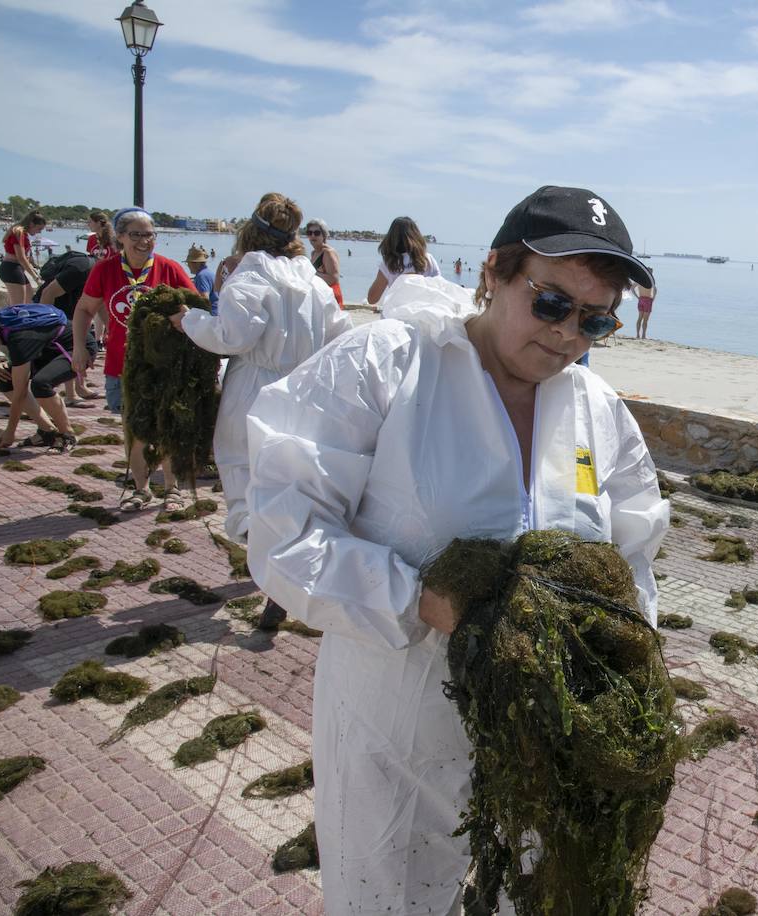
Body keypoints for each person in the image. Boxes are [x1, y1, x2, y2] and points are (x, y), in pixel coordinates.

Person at [245, 185, 666, 914]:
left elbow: (634, 561)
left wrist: (624, 671)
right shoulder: (386, 365)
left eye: (596, 319)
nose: (568, 334)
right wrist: (418, 601)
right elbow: (285, 532)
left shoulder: (599, 413)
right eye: (551, 303)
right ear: (495, 270)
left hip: (544, 739)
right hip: (396, 730)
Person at [171, 193, 350, 627]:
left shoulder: (250, 275)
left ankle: (276, 575)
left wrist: (188, 321)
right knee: (289, 484)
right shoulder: (314, 283)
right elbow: (340, 335)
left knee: (243, 477)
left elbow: (232, 336)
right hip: (302, 392)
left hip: (255, 388)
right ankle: (289, 573)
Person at [71, 207, 196, 512]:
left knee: (166, 429)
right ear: (121, 237)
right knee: (135, 431)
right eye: (136, 235)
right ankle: (141, 490)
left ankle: (172, 489)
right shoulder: (105, 270)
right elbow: (84, 309)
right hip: (121, 367)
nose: (144, 241)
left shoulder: (169, 268)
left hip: (164, 366)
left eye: (149, 235)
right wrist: (79, 347)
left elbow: (198, 307)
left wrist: (183, 316)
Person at [0, 307, 78, 452]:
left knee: (41, 384)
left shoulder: (19, 340)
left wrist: (10, 431)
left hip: (76, 348)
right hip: (46, 348)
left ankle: (67, 435)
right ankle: (47, 432)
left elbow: (20, 392)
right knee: (3, 376)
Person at [34, 248, 99, 404]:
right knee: (68, 349)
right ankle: (70, 395)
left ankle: (79, 388)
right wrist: (48, 324)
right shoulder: (81, 268)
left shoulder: (97, 273)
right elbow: (47, 293)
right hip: (51, 309)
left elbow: (100, 306)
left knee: (78, 345)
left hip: (69, 309)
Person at [365, 215, 441, 306]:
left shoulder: (389, 263)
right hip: (424, 311)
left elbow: (372, 299)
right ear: (416, 236)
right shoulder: (428, 259)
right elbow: (440, 288)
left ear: (391, 238)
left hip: (398, 312)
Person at [0, 211, 47, 305]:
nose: (39, 232)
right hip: (11, 269)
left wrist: (32, 269)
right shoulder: (19, 232)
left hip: (14, 269)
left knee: (29, 299)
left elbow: (23, 258)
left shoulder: (21, 233)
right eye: (39, 229)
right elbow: (21, 257)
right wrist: (35, 277)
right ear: (31, 224)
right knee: (18, 307)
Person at [304, 218, 343, 306]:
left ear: (324, 235)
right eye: (309, 233)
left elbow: (333, 279)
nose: (313, 236)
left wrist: (310, 274)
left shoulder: (328, 252)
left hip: (330, 298)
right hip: (320, 296)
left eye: (317, 233)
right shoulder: (314, 253)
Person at [185, 244, 218, 311]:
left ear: (196, 263)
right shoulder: (208, 273)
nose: (188, 266)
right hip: (218, 311)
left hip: (211, 313)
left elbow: (204, 300)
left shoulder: (201, 276)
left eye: (188, 263)